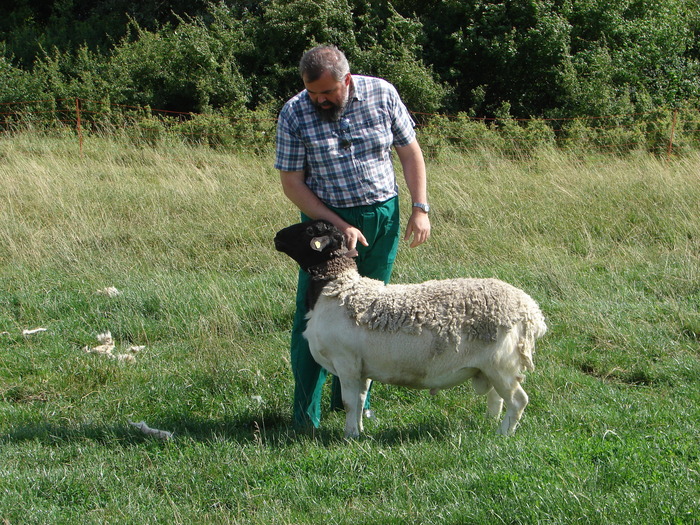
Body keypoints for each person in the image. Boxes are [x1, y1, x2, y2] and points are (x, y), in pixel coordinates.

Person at [274, 44, 431, 430]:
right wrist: (336, 224)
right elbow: (292, 183)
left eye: (328, 92)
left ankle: (355, 404)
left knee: (369, 312)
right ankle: (304, 414)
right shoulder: (294, 113)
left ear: (347, 79)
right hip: (326, 226)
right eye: (313, 93)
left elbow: (410, 152)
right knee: (314, 316)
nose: (320, 100)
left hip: (382, 216)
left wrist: (420, 207)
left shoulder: (382, 93)